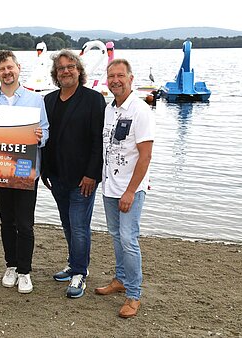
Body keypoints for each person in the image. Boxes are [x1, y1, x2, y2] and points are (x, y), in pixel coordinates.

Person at [0, 50, 49, 294]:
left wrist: (40, 137)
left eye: (10, 67)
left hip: (27, 171)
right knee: (6, 221)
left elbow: (46, 131)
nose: (7, 72)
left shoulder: (35, 100)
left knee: (25, 224)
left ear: (18, 68)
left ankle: (25, 271)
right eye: (1, 69)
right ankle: (11, 265)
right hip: (0, 172)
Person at [42, 49, 106, 298]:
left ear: (79, 70)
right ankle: (73, 264)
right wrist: (44, 170)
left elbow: (98, 141)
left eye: (70, 66)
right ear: (55, 74)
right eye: (61, 68)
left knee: (79, 226)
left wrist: (92, 174)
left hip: (83, 178)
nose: (66, 70)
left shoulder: (93, 99)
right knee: (67, 224)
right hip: (56, 175)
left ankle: (80, 273)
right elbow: (44, 138)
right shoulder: (48, 100)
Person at [94, 59, 155, 318]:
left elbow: (145, 156)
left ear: (131, 78)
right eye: (111, 76)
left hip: (131, 188)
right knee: (116, 235)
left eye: (121, 75)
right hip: (110, 186)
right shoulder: (109, 110)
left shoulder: (140, 111)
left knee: (129, 239)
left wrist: (130, 191)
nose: (115, 80)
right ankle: (120, 279)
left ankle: (134, 294)